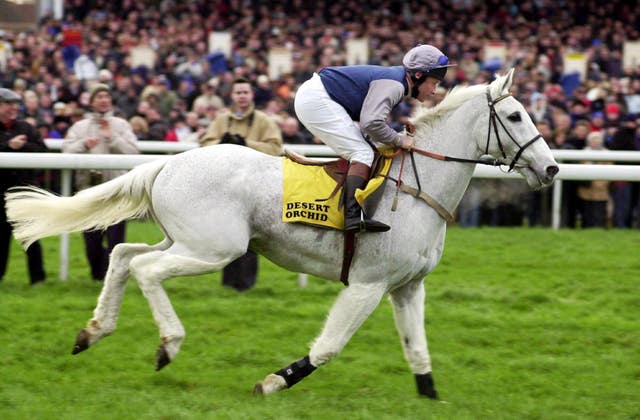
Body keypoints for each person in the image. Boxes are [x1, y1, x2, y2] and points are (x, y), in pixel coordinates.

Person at [294, 44, 454, 233]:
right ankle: (352, 217)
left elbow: (369, 125)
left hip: (318, 96)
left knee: (368, 150)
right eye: (434, 83)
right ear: (418, 76)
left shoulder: (397, 81)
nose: (434, 91)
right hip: (318, 99)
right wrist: (399, 140)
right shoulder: (394, 85)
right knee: (362, 153)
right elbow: (370, 123)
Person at [200, 77, 283, 291]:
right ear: (232, 96)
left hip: (256, 188)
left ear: (252, 95)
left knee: (251, 236)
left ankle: (246, 284)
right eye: (238, 93)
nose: (242, 96)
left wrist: (245, 144)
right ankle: (228, 284)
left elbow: (275, 148)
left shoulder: (264, 120)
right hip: (226, 188)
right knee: (228, 235)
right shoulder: (221, 120)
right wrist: (221, 144)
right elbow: (204, 143)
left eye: (245, 92)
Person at [62, 84, 139, 280]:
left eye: (106, 96)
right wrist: (83, 144)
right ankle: (98, 277)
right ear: (92, 102)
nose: (103, 99)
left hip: (117, 192)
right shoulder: (79, 127)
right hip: (90, 190)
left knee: (116, 241)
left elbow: (133, 152)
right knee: (92, 243)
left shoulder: (121, 125)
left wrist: (111, 137)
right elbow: (66, 151)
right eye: (99, 96)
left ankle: (114, 278)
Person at [0, 88, 47, 285]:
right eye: (9, 104)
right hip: (1, 191)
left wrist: (22, 147)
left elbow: (43, 150)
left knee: (31, 237)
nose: (13, 108)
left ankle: (38, 279)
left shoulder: (26, 128)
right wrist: (8, 146)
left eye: (15, 104)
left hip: (22, 190)